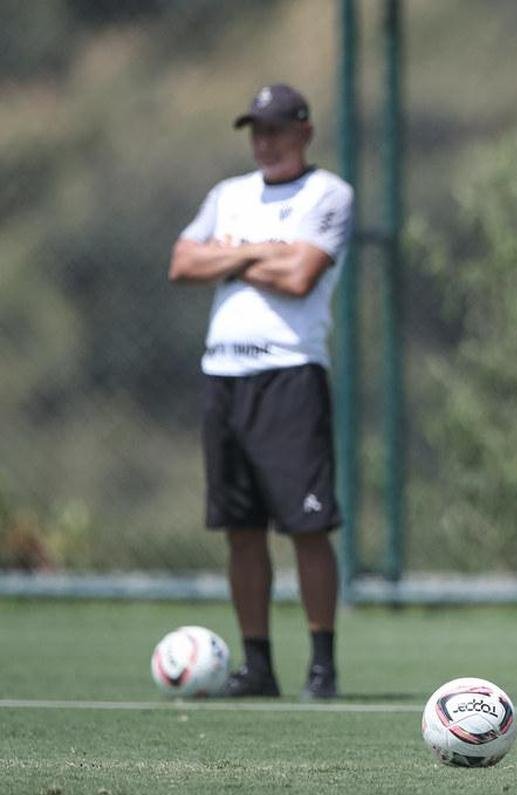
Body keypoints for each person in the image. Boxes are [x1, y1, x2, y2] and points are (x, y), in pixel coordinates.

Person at [168, 83, 354, 700]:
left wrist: (227, 254)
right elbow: (181, 264)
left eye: (275, 130)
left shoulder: (328, 194)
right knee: (239, 528)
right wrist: (258, 251)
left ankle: (321, 666)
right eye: (256, 131)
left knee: (307, 526)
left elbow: (301, 276)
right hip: (224, 374)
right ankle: (258, 667)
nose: (264, 142)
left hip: (289, 373)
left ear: (304, 132)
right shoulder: (228, 195)